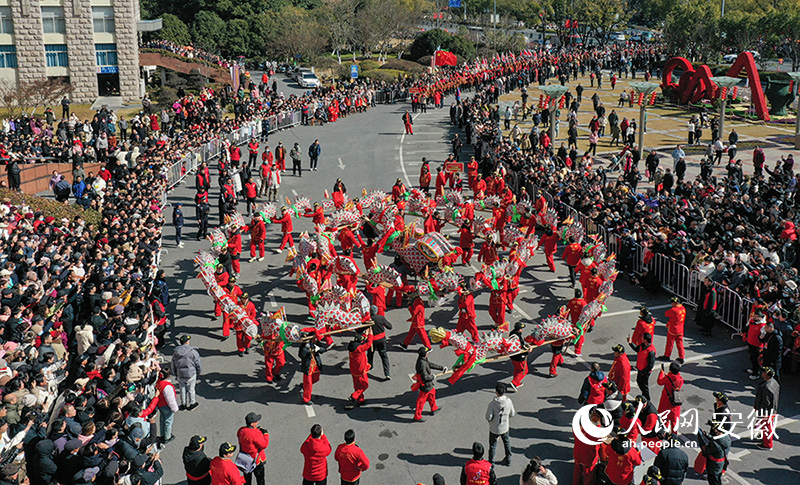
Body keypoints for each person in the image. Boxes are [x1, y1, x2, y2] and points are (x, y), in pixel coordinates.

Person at [485, 382, 515, 465]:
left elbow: (488, 417)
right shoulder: (508, 401)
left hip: (494, 428)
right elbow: (512, 413)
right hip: (505, 427)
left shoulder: (492, 404)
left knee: (492, 446)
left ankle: (491, 461)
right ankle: (508, 458)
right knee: (506, 442)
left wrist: (491, 421)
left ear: (496, 392)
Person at [413, 346, 445, 422]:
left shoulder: (423, 359)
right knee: (421, 401)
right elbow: (425, 377)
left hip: (428, 385)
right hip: (425, 385)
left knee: (432, 395)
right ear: (425, 354)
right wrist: (432, 377)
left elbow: (430, 364)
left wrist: (441, 368)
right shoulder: (422, 364)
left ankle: (434, 408)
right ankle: (417, 416)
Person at [237, 412, 269, 485]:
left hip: (245, 460)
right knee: (260, 479)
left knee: (247, 480)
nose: (257, 422)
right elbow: (264, 444)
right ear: (252, 424)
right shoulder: (255, 433)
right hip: (255, 460)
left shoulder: (241, 430)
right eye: (256, 421)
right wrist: (265, 434)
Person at [171, 334, 202, 411]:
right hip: (191, 373)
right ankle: (192, 403)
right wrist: (199, 371)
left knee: (182, 388)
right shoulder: (192, 352)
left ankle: (183, 404)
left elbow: (173, 363)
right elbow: (197, 363)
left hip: (180, 373)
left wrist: (175, 373)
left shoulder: (176, 352)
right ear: (187, 342)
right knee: (191, 388)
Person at [753, 366, 780, 450]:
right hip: (772, 410)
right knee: (767, 427)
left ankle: (767, 444)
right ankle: (765, 439)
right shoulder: (774, 383)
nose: (762, 373)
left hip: (766, 412)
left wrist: (762, 413)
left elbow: (766, 402)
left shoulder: (766, 387)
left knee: (767, 428)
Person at [696, 421, 730, 485]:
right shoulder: (726, 437)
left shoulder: (715, 444)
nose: (714, 430)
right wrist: (706, 434)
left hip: (714, 465)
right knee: (717, 479)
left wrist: (700, 437)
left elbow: (705, 450)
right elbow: (714, 439)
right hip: (721, 463)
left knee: (713, 481)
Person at [345, 330, 373, 409]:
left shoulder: (352, 347)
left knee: (357, 386)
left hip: (353, 370)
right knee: (364, 385)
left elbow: (362, 340)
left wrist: (365, 334)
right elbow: (368, 343)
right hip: (361, 370)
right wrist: (370, 335)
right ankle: (354, 396)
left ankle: (360, 399)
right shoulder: (359, 349)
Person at [656, 362, 684, 432]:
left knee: (664, 419)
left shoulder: (667, 378)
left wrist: (662, 373)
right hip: (675, 404)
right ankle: (674, 437)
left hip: (666, 402)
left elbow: (659, 381)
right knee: (674, 423)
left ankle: (665, 432)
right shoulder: (680, 379)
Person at [367, 306, 392, 380]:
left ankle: (370, 365)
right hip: (381, 340)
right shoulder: (381, 318)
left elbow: (360, 329)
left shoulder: (369, 319)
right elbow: (390, 326)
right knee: (384, 356)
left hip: (372, 340)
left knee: (370, 353)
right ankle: (387, 373)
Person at [628, 333, 655, 401]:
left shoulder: (651, 351)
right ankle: (644, 396)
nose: (641, 338)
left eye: (643, 337)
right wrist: (631, 343)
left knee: (644, 386)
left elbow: (650, 364)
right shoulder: (642, 345)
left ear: (645, 340)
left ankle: (647, 399)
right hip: (640, 369)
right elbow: (637, 349)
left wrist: (644, 372)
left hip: (644, 371)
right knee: (639, 382)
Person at [155, 369, 180, 444]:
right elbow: (170, 400)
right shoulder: (167, 386)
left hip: (160, 404)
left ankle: (163, 435)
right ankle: (167, 437)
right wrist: (175, 408)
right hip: (166, 406)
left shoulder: (158, 382)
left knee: (162, 420)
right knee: (168, 422)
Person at [662, 297, 686, 363]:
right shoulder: (683, 308)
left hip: (673, 329)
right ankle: (681, 357)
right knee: (680, 344)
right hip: (680, 329)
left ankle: (667, 355)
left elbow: (666, 313)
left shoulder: (674, 310)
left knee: (670, 343)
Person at [508, 322, 531, 390]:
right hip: (519, 357)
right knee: (524, 370)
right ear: (519, 329)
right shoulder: (518, 336)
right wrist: (528, 350)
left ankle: (517, 382)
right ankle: (515, 382)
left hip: (512, 356)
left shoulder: (512, 333)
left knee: (517, 369)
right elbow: (522, 346)